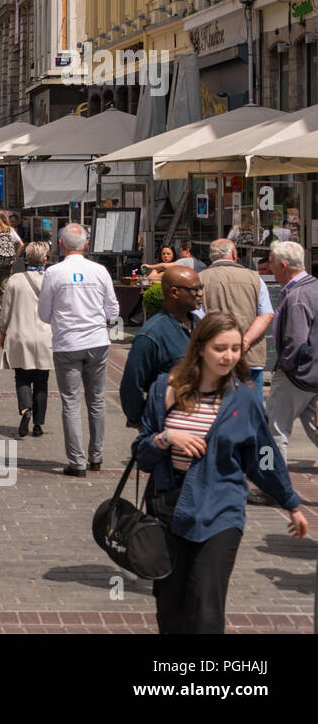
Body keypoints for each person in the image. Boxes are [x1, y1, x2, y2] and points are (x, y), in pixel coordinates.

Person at [134, 313, 307, 634]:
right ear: (200, 348)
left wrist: (291, 503)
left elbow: (264, 457)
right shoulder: (165, 389)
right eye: (219, 348)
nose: (228, 356)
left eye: (234, 348)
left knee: (205, 611)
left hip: (219, 510)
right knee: (170, 610)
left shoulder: (243, 399)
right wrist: (166, 438)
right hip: (167, 510)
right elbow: (141, 454)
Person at [38, 223, 119, 476]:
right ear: (85, 244)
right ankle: (96, 456)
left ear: (60, 244)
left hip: (67, 343)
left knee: (71, 402)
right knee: (96, 400)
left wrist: (63, 321)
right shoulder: (100, 270)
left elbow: (44, 313)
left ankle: (77, 462)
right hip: (97, 341)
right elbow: (113, 309)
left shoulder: (54, 272)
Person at [119, 264, 203, 427]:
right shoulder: (151, 335)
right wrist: (143, 422)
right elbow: (131, 386)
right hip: (169, 427)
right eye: (195, 289)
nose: (201, 293)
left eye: (201, 287)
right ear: (174, 293)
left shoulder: (199, 325)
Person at [264, 239, 318, 466]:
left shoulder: (297, 297)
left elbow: (295, 342)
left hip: (296, 375)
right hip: (311, 374)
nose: (269, 268)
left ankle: (271, 484)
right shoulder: (312, 287)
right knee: (314, 426)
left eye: (271, 262)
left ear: (283, 266)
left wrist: (283, 367)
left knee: (273, 432)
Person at [199, 238, 273, 391]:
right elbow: (266, 315)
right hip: (250, 357)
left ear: (212, 257)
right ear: (234, 255)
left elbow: (198, 317)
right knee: (252, 410)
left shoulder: (200, 280)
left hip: (214, 359)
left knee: (220, 410)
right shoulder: (255, 278)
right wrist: (245, 342)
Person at [0, 241, 55, 437]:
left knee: (22, 376)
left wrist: (2, 331)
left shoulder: (15, 280)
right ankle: (38, 424)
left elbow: (5, 310)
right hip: (45, 336)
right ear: (45, 259)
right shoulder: (51, 279)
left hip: (19, 335)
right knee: (42, 380)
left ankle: (26, 409)